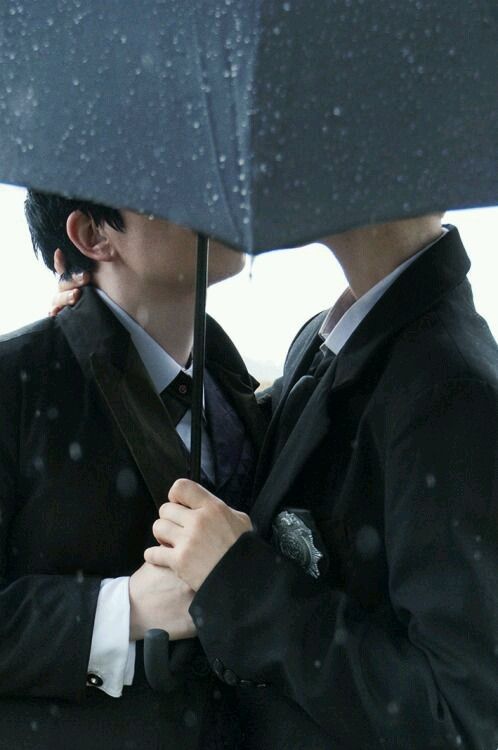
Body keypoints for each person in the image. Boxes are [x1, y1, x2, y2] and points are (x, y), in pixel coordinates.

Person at [137, 213, 498, 749]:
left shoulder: (452, 392)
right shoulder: (334, 335)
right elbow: (265, 454)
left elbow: (457, 719)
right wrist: (111, 328)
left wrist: (242, 582)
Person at [0, 191, 267, 750]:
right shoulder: (16, 382)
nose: (217, 199)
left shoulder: (236, 384)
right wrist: (122, 611)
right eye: (172, 186)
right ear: (93, 237)